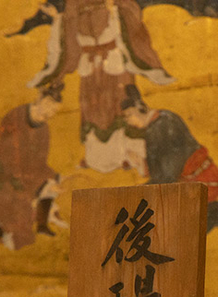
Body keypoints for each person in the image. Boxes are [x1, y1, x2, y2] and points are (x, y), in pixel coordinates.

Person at [28, 0, 173, 174]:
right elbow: (71, 34)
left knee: (121, 104)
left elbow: (131, 12)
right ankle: (96, 158)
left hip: (114, 61)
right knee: (92, 108)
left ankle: (129, 156)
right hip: (89, 66)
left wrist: (115, 11)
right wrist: (58, 18)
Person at [119, 85, 218, 232]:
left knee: (185, 227)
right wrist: (141, 163)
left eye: (129, 115)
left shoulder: (161, 126)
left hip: (200, 179)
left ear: (141, 109)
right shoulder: (162, 118)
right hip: (194, 177)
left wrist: (138, 192)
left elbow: (167, 174)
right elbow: (165, 167)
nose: (128, 121)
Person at [0, 83, 64, 251]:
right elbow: (11, 159)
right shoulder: (16, 118)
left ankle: (41, 225)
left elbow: (40, 160)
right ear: (45, 102)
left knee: (52, 180)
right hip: (3, 170)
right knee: (17, 214)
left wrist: (49, 179)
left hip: (25, 172)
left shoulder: (44, 128)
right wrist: (31, 189)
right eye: (52, 110)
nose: (52, 115)